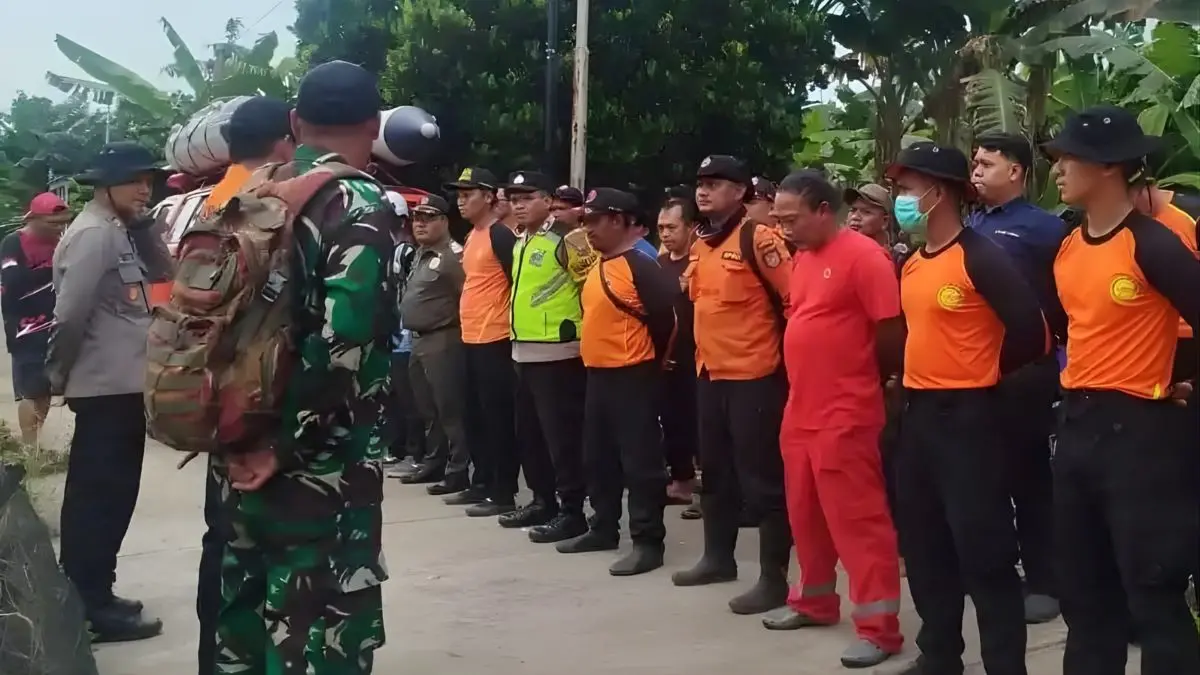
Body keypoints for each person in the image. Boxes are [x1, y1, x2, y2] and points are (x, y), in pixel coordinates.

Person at [211, 60, 395, 673]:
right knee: (323, 621)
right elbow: (346, 344)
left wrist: (246, 440)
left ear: (295, 122)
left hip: (238, 443)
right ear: (374, 125)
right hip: (322, 466)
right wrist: (286, 446)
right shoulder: (358, 203)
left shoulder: (251, 195)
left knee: (245, 608)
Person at [1042, 106, 1200, 675]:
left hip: (1140, 436)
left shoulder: (1152, 244)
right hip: (1079, 426)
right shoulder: (1068, 247)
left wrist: (1187, 384)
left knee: (1152, 592)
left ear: (1109, 167)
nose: (1058, 169)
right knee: (1084, 595)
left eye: (1069, 158)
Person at [887, 142, 1048, 675]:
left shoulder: (980, 256)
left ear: (940, 192)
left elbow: (1032, 331)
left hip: (971, 420)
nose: (902, 199)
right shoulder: (913, 264)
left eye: (910, 189)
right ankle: (940, 656)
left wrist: (986, 375)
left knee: (984, 555)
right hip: (920, 416)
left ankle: (1005, 664)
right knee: (927, 548)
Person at [762, 170, 905, 669]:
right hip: (802, 409)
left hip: (846, 412)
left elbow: (890, 330)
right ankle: (814, 600)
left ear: (824, 210)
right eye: (778, 219)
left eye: (791, 218)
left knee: (859, 523)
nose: (784, 228)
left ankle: (879, 629)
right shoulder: (804, 258)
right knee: (805, 513)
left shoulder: (865, 258)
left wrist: (881, 385)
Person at [46, 141, 174, 641]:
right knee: (98, 499)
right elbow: (69, 315)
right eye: (134, 181)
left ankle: (97, 589)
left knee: (113, 496)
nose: (145, 189)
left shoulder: (121, 230)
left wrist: (146, 229)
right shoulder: (93, 235)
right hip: (103, 388)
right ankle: (89, 604)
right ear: (104, 185)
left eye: (149, 180)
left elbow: (163, 282)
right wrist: (59, 375)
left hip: (123, 387)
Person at [192, 95, 295, 675]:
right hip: (250, 410)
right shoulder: (267, 206)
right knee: (252, 556)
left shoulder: (211, 203)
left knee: (223, 546)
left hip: (214, 401)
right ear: (287, 140)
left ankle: (215, 659)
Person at [672, 155, 794, 616]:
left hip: (755, 378)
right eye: (701, 183)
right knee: (716, 475)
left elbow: (793, 299)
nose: (704, 191)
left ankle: (772, 580)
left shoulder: (759, 239)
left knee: (763, 482)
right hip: (710, 374)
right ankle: (717, 558)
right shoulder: (702, 243)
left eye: (717, 183)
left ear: (741, 191)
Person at [970, 131, 1067, 624]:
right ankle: (1000, 571)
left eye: (988, 162)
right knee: (985, 476)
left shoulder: (1044, 229)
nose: (977, 170)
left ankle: (1046, 580)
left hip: (1026, 373)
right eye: (975, 161)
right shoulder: (970, 223)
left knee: (1030, 479)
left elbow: (1066, 301)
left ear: (1017, 171)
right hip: (971, 372)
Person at [558, 187, 676, 576]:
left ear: (621, 221)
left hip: (633, 373)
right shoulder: (600, 264)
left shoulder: (640, 266)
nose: (588, 228)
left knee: (639, 461)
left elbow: (667, 321)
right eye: (586, 220)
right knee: (598, 457)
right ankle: (603, 526)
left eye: (596, 220)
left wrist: (653, 366)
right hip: (599, 374)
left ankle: (647, 541)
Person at [502, 170, 594, 542]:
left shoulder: (568, 239)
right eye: (513, 198)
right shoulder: (520, 241)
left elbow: (592, 288)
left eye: (526, 197)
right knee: (531, 436)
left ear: (547, 200)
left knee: (562, 438)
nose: (518, 205)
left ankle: (573, 510)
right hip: (523, 350)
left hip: (559, 354)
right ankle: (543, 501)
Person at [443, 167, 518, 502]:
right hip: (470, 337)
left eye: (468, 195)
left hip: (495, 338)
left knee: (497, 419)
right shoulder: (473, 235)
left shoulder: (500, 236)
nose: (461, 202)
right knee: (473, 415)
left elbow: (516, 282)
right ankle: (482, 481)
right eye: (458, 196)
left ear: (489, 197)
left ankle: (503, 491)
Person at [399, 194, 471, 494]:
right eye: (417, 218)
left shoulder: (454, 255)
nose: (421, 224)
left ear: (444, 221)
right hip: (418, 339)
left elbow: (466, 294)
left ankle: (458, 470)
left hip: (444, 337)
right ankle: (434, 461)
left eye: (429, 218)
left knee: (450, 408)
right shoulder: (419, 253)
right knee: (427, 407)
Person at [1, 193, 70, 445]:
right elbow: (12, 284)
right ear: (34, 218)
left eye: (62, 223)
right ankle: (29, 449)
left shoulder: (61, 243)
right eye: (53, 223)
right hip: (24, 328)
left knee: (44, 387)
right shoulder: (13, 243)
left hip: (53, 325)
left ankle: (37, 440)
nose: (59, 228)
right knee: (29, 390)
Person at [656, 193, 699, 515]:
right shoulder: (658, 265)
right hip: (667, 358)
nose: (666, 234)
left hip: (702, 355)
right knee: (674, 422)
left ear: (692, 228)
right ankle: (681, 481)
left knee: (704, 426)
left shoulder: (701, 261)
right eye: (661, 228)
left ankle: (710, 490)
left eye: (672, 227)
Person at [383, 192, 431, 481]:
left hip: (407, 334)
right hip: (393, 334)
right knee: (395, 397)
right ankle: (399, 448)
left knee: (410, 399)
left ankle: (416, 454)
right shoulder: (385, 249)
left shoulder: (406, 252)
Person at [843, 183, 894, 250]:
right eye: (853, 210)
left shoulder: (896, 258)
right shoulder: (835, 249)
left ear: (884, 221)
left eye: (866, 212)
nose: (854, 217)